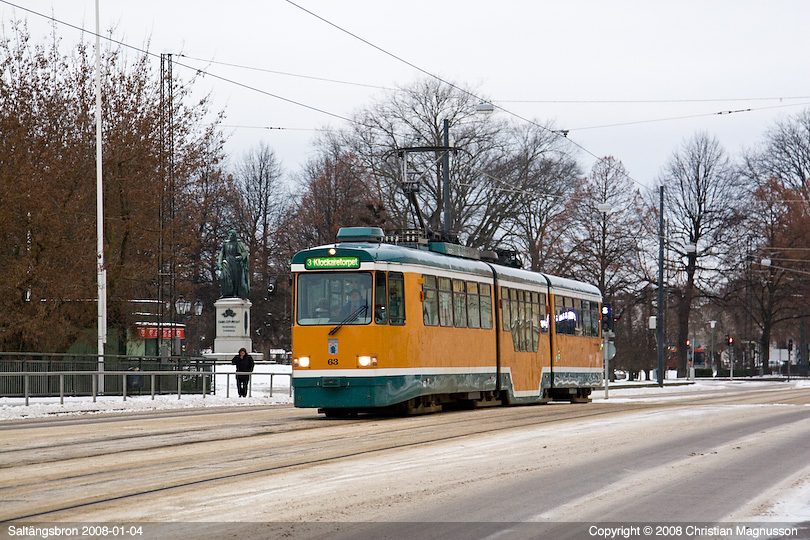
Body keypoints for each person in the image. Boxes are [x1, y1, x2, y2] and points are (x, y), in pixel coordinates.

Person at [218, 229, 250, 299]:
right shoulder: (225, 244)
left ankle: (235, 293)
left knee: (236, 278)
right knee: (223, 277)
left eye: (231, 235)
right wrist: (219, 263)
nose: (230, 236)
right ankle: (226, 293)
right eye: (229, 235)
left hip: (236, 263)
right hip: (227, 262)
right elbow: (221, 254)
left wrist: (241, 257)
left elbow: (245, 252)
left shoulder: (239, 243)